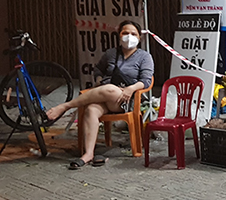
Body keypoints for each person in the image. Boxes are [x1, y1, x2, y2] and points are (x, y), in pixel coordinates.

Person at [46, 20, 154, 169]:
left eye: (133, 34)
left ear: (139, 38)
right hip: (104, 95)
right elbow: (98, 69)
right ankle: (88, 153)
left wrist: (131, 88)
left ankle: (66, 106)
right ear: (119, 35)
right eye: (125, 33)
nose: (129, 36)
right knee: (91, 109)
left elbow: (146, 81)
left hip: (125, 99)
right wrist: (98, 80)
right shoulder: (111, 53)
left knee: (109, 89)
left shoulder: (144, 57)